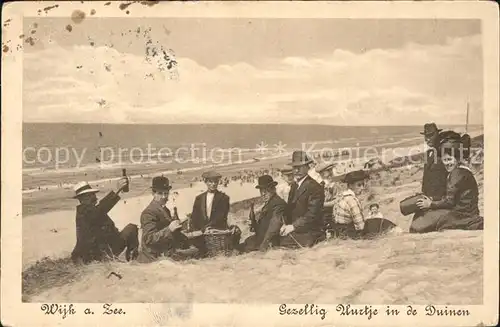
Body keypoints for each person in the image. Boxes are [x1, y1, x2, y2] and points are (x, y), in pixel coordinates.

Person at [410, 141, 483, 233]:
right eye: (445, 160)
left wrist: (430, 204)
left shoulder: (457, 173)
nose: (447, 163)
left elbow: (449, 202)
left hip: (462, 214)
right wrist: (432, 199)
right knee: (423, 217)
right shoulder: (460, 171)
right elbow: (451, 196)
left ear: (457, 159)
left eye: (449, 159)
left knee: (418, 225)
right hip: (465, 212)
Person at [70, 178, 139, 264]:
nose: (95, 197)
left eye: (93, 194)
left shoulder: (92, 210)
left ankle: (132, 258)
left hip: (105, 250)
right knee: (131, 229)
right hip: (95, 256)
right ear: (82, 199)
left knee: (131, 228)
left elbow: (101, 211)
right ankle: (133, 259)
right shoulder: (84, 212)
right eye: (91, 195)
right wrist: (117, 190)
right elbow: (101, 209)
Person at [137, 176, 193, 263]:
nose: (163, 196)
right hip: (153, 258)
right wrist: (169, 229)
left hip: (165, 252)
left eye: (166, 193)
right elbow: (148, 239)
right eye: (160, 193)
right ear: (153, 193)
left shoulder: (164, 209)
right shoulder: (148, 213)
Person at [279, 151, 325, 248]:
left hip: (311, 232)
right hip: (298, 229)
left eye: (299, 167)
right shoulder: (295, 186)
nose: (296, 171)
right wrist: (285, 224)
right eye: (294, 167)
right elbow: (290, 209)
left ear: (307, 167)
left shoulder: (315, 187)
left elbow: (311, 215)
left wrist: (292, 226)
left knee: (280, 244)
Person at [189, 171, 241, 256]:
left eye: (215, 181)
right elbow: (195, 216)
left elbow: (221, 216)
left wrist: (208, 228)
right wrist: (199, 230)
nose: (213, 184)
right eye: (210, 181)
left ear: (218, 182)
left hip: (218, 232)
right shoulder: (199, 198)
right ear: (205, 182)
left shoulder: (224, 198)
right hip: (202, 233)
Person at [410, 123, 448, 229]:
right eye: (426, 136)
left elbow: (450, 181)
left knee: (420, 228)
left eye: (430, 135)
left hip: (440, 202)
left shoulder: (445, 152)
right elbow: (427, 178)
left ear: (437, 135)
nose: (427, 139)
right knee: (414, 225)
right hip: (426, 200)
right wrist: (422, 193)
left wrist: (435, 200)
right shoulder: (428, 153)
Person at [240, 175, 287, 252]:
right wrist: (254, 224)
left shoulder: (278, 203)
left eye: (266, 190)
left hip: (270, 242)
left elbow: (274, 226)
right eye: (261, 191)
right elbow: (264, 225)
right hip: (261, 238)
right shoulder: (269, 203)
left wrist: (264, 244)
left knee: (239, 248)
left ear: (273, 189)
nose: (263, 194)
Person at [330, 170, 368, 239]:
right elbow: (361, 226)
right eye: (359, 185)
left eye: (363, 184)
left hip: (338, 232)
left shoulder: (342, 195)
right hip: (349, 234)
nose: (362, 188)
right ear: (350, 185)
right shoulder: (352, 200)